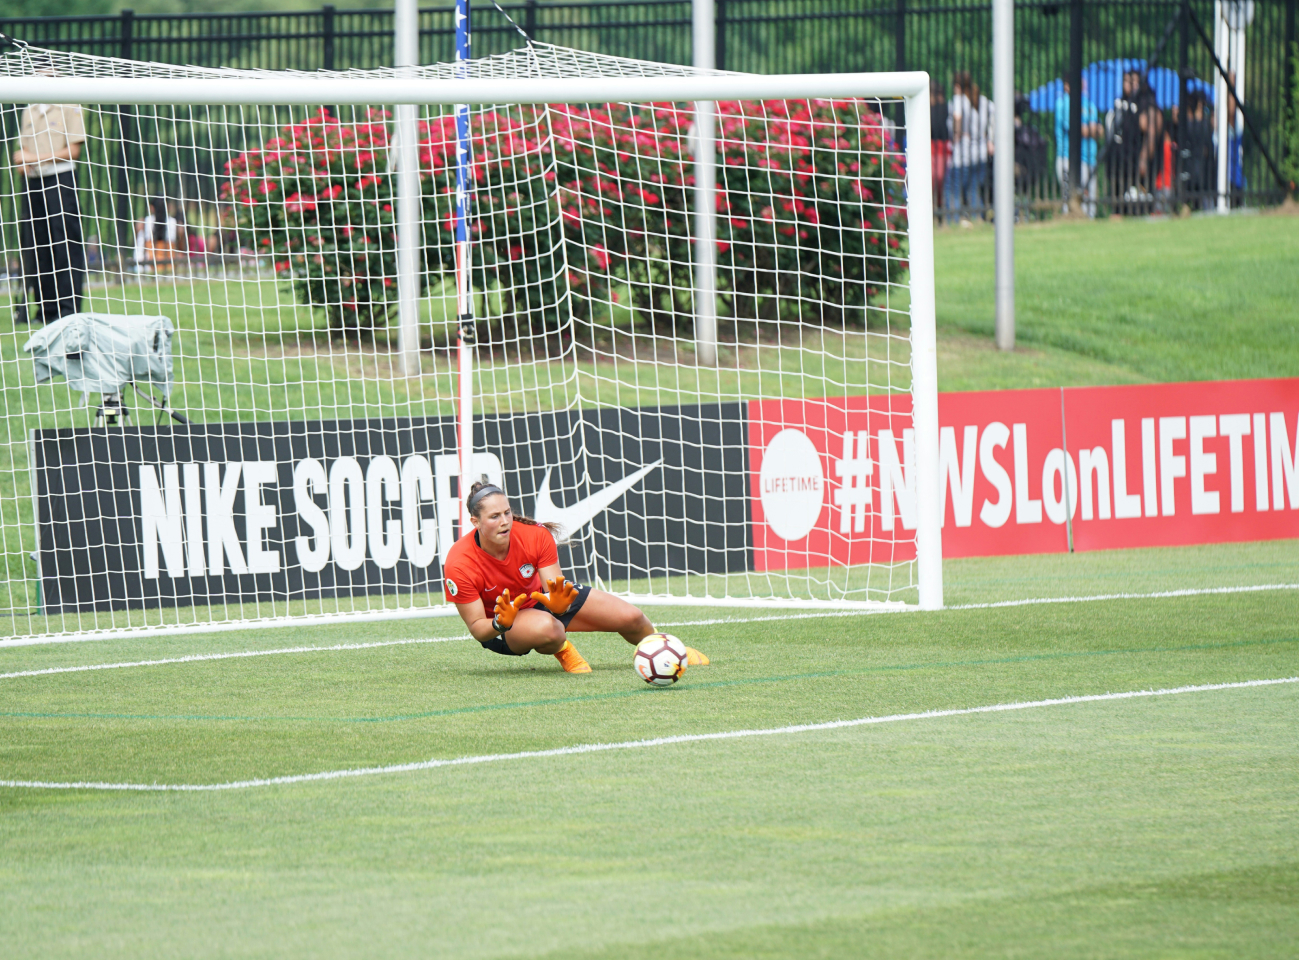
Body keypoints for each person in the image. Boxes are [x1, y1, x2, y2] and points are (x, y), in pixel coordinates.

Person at [444, 481, 710, 673]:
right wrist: (501, 623)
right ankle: (563, 650)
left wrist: (557, 604)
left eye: (506, 512)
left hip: (536, 603)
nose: (505, 521)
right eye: (494, 516)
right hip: (501, 627)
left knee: (633, 618)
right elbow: (478, 629)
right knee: (550, 629)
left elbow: (553, 588)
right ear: (475, 522)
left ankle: (668, 652)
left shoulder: (535, 535)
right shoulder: (459, 563)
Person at [11, 77, 87, 325]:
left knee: (65, 245)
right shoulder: (29, 109)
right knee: (37, 246)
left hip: (60, 179)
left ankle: (68, 309)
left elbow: (73, 150)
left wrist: (37, 157)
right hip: (33, 182)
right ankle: (45, 310)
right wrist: (26, 160)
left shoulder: (68, 104)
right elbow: (20, 153)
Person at [945, 72, 993, 224]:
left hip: (963, 152)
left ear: (957, 86)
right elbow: (995, 115)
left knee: (952, 187)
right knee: (973, 188)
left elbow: (957, 118)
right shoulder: (982, 100)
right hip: (981, 152)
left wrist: (955, 135)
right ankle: (976, 217)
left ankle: (954, 219)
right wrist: (990, 139)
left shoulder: (959, 100)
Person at [1053, 79, 1101, 216]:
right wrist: (1092, 129)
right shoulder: (1064, 103)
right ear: (1067, 85)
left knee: (1089, 201)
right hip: (1068, 158)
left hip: (1089, 158)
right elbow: (1079, 129)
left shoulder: (1089, 103)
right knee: (1070, 200)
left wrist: (1091, 130)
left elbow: (1100, 130)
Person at [930, 80, 950, 214]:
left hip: (942, 144)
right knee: (932, 176)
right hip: (930, 144)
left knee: (940, 176)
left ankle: (940, 204)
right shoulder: (924, 107)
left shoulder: (943, 106)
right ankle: (931, 205)